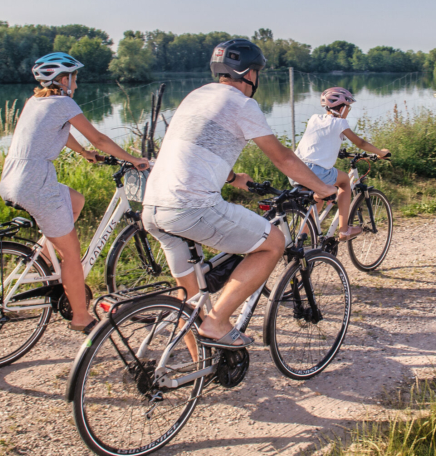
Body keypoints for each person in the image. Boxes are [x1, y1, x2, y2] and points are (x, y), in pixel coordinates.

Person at [142, 38, 337, 349]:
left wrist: (233, 178)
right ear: (248, 73)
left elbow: (196, 145)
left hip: (153, 206)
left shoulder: (197, 95)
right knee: (273, 243)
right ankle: (218, 322)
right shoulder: (242, 103)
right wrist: (324, 187)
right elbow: (282, 157)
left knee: (192, 300)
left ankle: (201, 366)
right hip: (191, 206)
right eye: (257, 72)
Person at [0, 52, 149, 334]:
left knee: (75, 201)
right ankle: (81, 318)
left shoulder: (36, 101)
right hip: (36, 182)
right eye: (74, 79)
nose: (76, 85)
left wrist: (83, 153)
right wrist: (131, 159)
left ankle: (43, 262)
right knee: (71, 254)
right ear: (63, 79)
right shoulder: (63, 101)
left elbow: (59, 132)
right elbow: (100, 138)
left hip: (11, 178)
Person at [292, 87, 389, 240]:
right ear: (343, 108)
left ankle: (300, 239)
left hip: (295, 169)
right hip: (316, 171)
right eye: (348, 107)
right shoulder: (340, 123)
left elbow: (319, 141)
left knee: (317, 200)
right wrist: (381, 153)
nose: (349, 110)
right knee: (344, 181)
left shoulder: (314, 118)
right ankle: (344, 230)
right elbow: (361, 143)